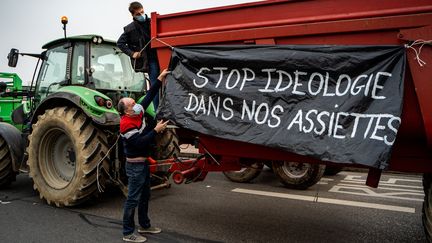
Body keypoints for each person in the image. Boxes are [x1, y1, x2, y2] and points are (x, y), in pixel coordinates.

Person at [118, 69, 169, 243]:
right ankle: (127, 232)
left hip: (143, 163)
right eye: (132, 104)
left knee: (145, 195)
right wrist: (155, 130)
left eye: (134, 102)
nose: (136, 105)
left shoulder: (136, 112)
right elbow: (139, 142)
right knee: (133, 198)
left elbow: (148, 96)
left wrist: (159, 80)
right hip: (134, 167)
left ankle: (144, 225)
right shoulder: (126, 124)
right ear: (126, 111)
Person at [117, 1, 161, 110]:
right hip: (151, 62)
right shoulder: (130, 29)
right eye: (138, 14)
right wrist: (132, 54)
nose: (141, 15)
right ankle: (158, 113)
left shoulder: (154, 22)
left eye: (142, 12)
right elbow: (120, 43)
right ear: (132, 15)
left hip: (162, 57)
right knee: (155, 87)